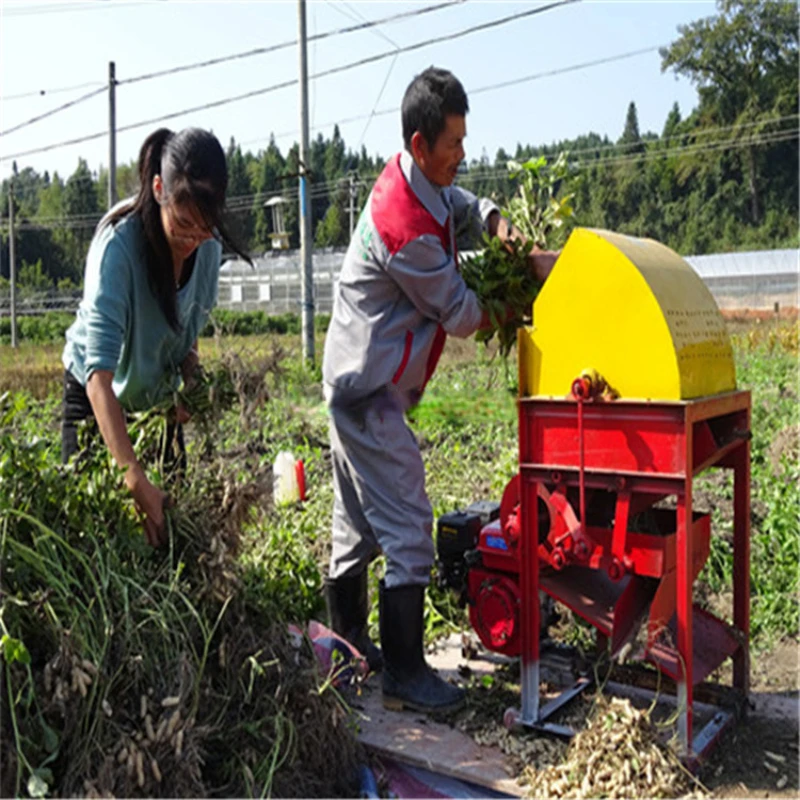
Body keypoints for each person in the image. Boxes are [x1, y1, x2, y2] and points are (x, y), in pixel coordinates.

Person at [322, 67, 559, 713]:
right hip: (369, 392)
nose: (463, 152)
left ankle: (345, 642)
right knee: (406, 527)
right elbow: (460, 311)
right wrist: (525, 296)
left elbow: (458, 203)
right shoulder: (403, 224)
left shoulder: (419, 177)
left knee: (355, 524)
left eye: (464, 139)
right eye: (453, 142)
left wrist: (495, 219)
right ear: (422, 143)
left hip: (357, 379)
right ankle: (402, 669)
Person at [61, 127, 250, 547]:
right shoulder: (119, 249)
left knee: (167, 537)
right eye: (182, 224)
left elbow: (186, 331)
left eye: (203, 230)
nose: (191, 240)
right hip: (98, 399)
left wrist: (193, 378)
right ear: (159, 189)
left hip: (154, 401)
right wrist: (133, 476)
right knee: (88, 534)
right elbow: (98, 380)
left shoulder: (208, 244)